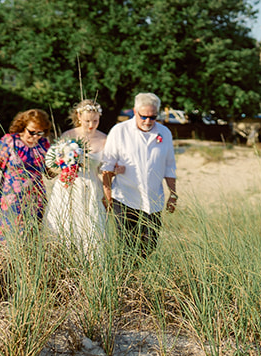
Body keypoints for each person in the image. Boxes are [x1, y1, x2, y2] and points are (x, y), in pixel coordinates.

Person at [101, 92, 177, 257]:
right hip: (124, 198)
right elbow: (107, 165)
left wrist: (173, 194)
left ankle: (140, 277)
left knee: (150, 245)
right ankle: (126, 279)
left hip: (153, 200)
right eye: (144, 116)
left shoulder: (165, 133)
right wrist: (107, 193)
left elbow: (170, 166)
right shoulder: (119, 131)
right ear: (135, 111)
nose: (148, 121)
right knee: (126, 247)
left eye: (153, 117)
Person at [44, 100, 110, 253]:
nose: (91, 125)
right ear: (79, 117)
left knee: (91, 227)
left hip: (91, 188)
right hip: (68, 186)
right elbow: (56, 162)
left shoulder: (104, 139)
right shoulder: (68, 135)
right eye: (87, 121)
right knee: (66, 224)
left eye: (95, 121)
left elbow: (103, 168)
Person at [0, 109, 51, 243]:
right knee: (8, 238)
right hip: (10, 199)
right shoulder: (10, 141)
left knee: (30, 239)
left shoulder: (43, 144)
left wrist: (66, 166)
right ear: (23, 125)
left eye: (40, 132)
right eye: (32, 132)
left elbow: (49, 173)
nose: (35, 136)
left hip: (36, 200)